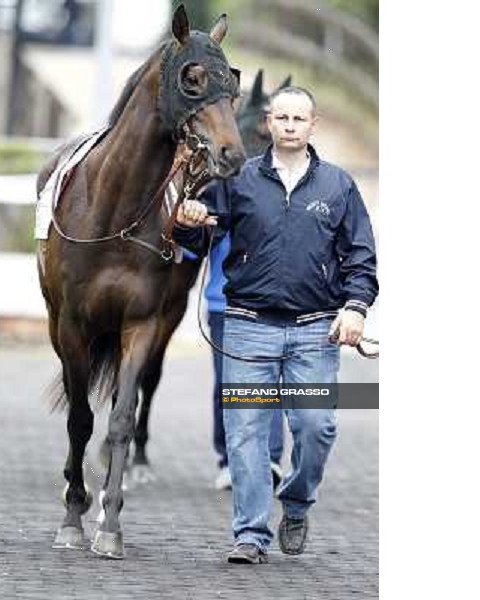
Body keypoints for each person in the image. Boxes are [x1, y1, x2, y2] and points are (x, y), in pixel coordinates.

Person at [173, 86, 378, 564]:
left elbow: (360, 256)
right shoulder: (238, 179)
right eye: (280, 117)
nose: (289, 125)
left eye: (298, 118)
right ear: (267, 122)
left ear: (313, 125)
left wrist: (355, 308)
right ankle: (250, 534)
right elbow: (199, 241)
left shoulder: (338, 185)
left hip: (314, 332)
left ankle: (298, 501)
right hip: (247, 329)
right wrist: (189, 220)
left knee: (316, 427)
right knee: (245, 433)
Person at [206, 232, 285, 492]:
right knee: (227, 386)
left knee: (267, 384)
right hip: (224, 306)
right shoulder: (217, 195)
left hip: (269, 305)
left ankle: (269, 459)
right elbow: (190, 246)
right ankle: (228, 460)